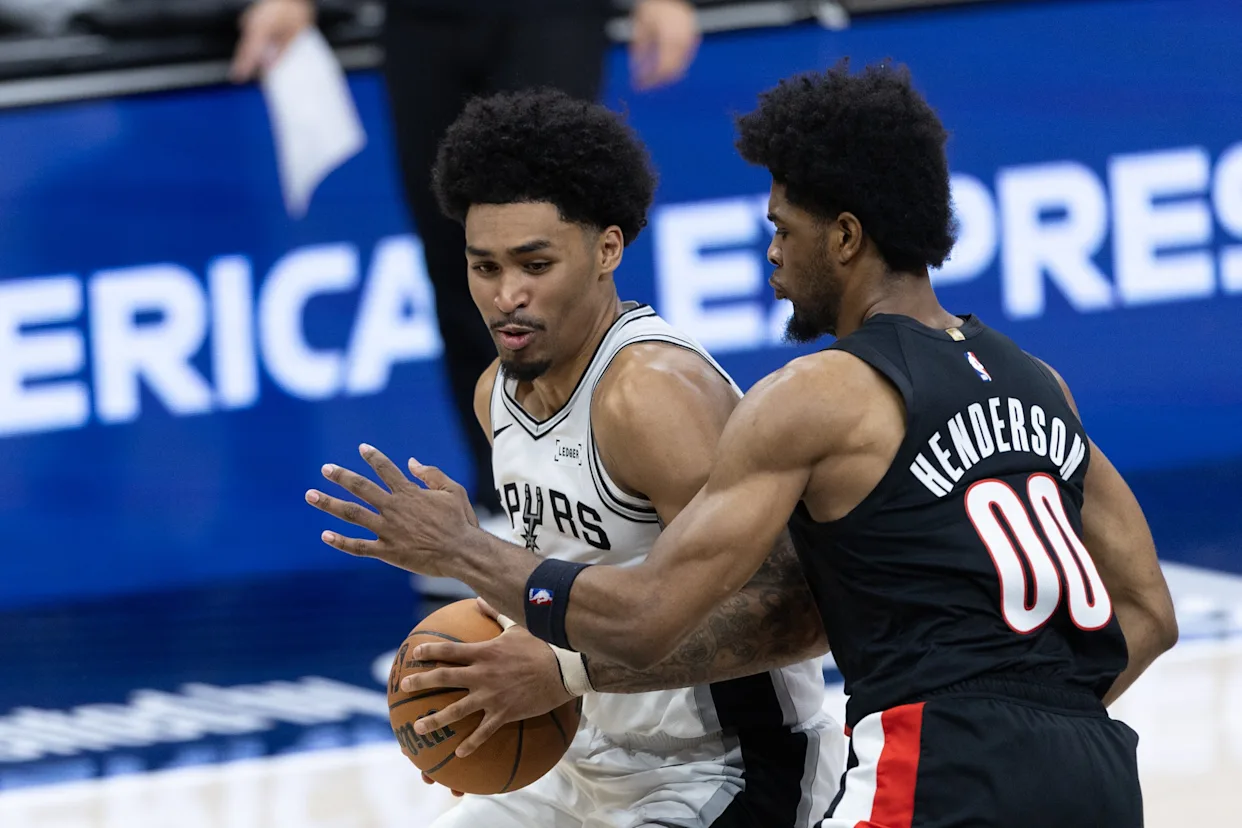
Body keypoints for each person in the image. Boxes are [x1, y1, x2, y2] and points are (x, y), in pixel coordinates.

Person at [307, 61, 1180, 826]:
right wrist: (1039, 738)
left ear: (843, 236)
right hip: (1091, 764)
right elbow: (1149, 613)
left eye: (780, 229)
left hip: (862, 764)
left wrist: (466, 552)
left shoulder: (810, 394)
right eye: (483, 265)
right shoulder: (1037, 381)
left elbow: (664, 616)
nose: (768, 255)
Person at [309, 88, 842, 826]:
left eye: (535, 264)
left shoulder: (654, 396)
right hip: (580, 755)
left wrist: (546, 650)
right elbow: (568, 590)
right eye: (485, 267)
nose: (507, 297)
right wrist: (474, 705)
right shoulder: (496, 392)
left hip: (729, 764)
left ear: (607, 250)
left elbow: (792, 615)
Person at [233, 0, 699, 535]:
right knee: (457, 258)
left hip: (547, 15)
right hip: (423, 21)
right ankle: (507, 501)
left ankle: (606, 494)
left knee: (553, 243)